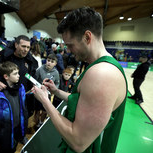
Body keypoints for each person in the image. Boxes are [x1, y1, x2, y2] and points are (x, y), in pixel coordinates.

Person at [31, 7, 127, 153]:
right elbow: (84, 102)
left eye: (70, 45)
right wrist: (56, 92)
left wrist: (45, 101)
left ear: (87, 37)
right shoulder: (103, 66)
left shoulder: (102, 74)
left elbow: (79, 142)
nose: (68, 50)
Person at [0, 35, 38, 118]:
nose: (26, 50)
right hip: (7, 99)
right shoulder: (4, 58)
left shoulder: (29, 60)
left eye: (28, 47)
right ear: (16, 45)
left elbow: (31, 75)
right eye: (23, 46)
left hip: (24, 98)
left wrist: (34, 84)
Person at [0, 61, 28, 153]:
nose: (18, 75)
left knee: (14, 148)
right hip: (4, 133)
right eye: (15, 74)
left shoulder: (21, 88)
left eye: (18, 73)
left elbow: (22, 107)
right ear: (6, 76)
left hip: (17, 128)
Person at [33, 54, 59, 130]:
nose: (49, 63)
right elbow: (34, 79)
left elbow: (57, 83)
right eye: (48, 60)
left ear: (55, 64)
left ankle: (41, 122)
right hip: (39, 94)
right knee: (37, 111)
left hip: (48, 95)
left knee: (45, 111)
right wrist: (36, 86)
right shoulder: (40, 69)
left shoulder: (56, 73)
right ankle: (37, 124)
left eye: (52, 61)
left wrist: (54, 90)